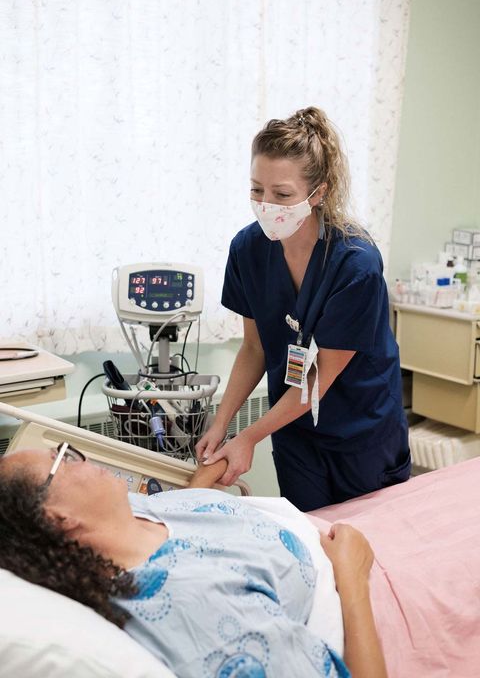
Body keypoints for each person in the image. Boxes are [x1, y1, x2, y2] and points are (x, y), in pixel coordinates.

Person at [0, 444, 387, 678]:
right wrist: (353, 577)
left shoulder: (123, 517)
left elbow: (191, 532)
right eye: (62, 461)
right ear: (58, 519)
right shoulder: (199, 611)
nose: (82, 459)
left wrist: (203, 484)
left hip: (338, 532)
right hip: (367, 580)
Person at [196, 106, 410, 510]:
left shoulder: (355, 264)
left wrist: (249, 437)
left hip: (360, 433)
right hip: (294, 427)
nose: (266, 204)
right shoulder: (248, 249)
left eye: (282, 195)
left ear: (319, 193)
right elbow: (255, 349)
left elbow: (316, 380)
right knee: (308, 537)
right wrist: (221, 424)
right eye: (257, 189)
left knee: (363, 547)